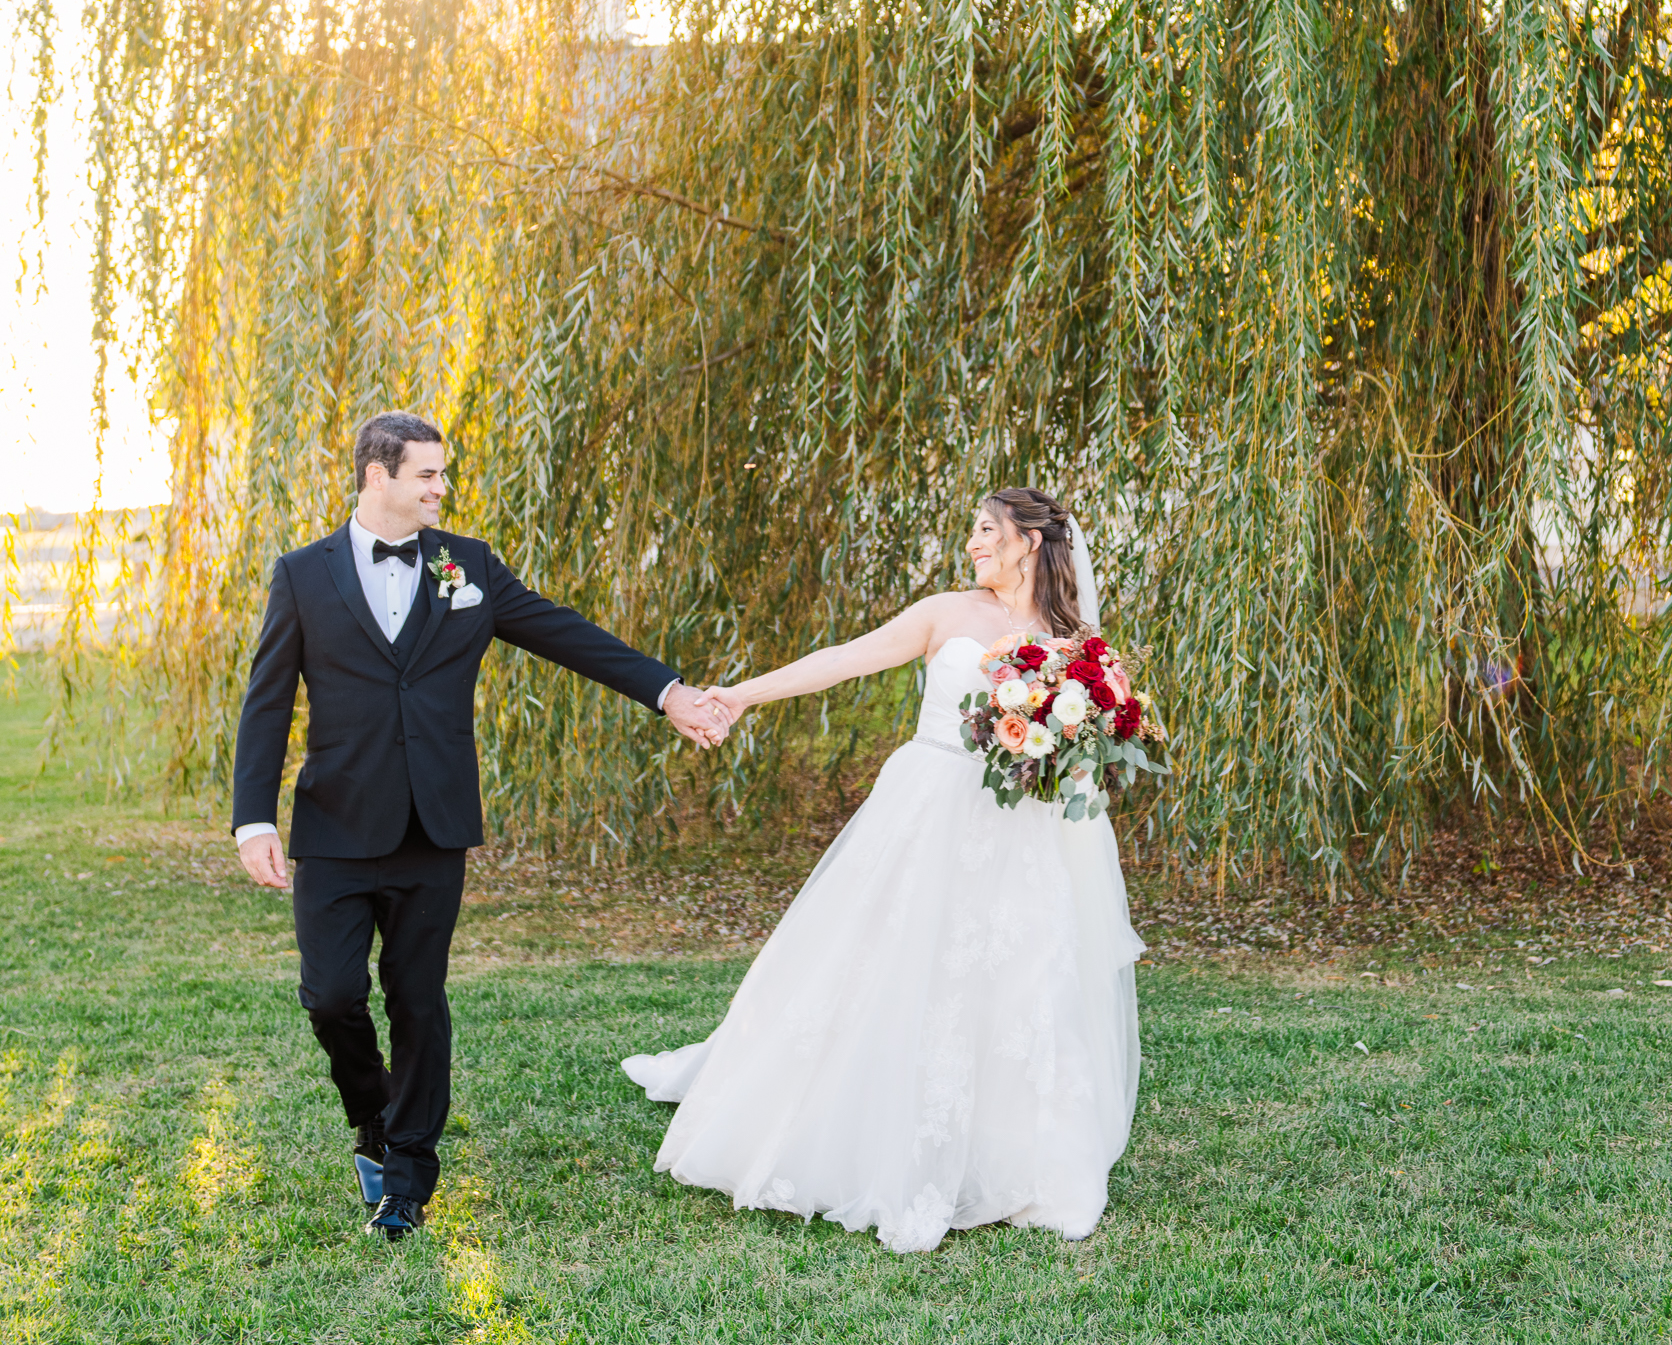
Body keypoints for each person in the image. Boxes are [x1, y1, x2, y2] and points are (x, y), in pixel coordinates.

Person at [232, 409, 729, 1240]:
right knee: (332, 997)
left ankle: (407, 1180)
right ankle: (374, 1117)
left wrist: (668, 692)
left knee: (418, 999)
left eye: (442, 474)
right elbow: (267, 701)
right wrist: (253, 819)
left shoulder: (468, 566)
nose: (442, 487)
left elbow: (566, 634)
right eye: (427, 473)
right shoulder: (302, 575)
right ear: (377, 476)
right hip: (335, 826)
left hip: (435, 826)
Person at [622, 485, 1144, 1253]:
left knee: (1021, 980)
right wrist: (742, 694)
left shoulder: (1074, 643)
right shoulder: (946, 613)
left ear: (1031, 541)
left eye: (985, 530)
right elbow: (845, 659)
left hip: (1018, 832)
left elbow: (1083, 752)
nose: (972, 544)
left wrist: (1057, 741)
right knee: (885, 961)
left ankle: (1022, 1158)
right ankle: (859, 1122)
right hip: (927, 807)